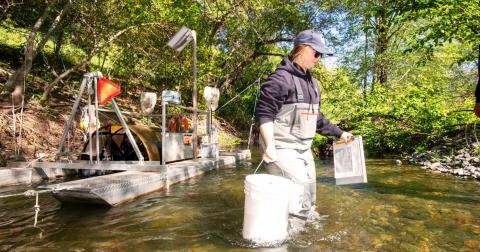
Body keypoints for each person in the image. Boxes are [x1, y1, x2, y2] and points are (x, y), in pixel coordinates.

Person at [255, 29, 353, 232]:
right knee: (298, 197)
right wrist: (270, 145)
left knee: (310, 194)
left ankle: (308, 232)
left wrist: (339, 133)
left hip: (303, 148)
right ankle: (291, 240)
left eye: (321, 54)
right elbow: (264, 114)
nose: (319, 58)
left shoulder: (312, 82)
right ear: (302, 49)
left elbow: (316, 118)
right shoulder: (279, 79)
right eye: (316, 53)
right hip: (280, 147)